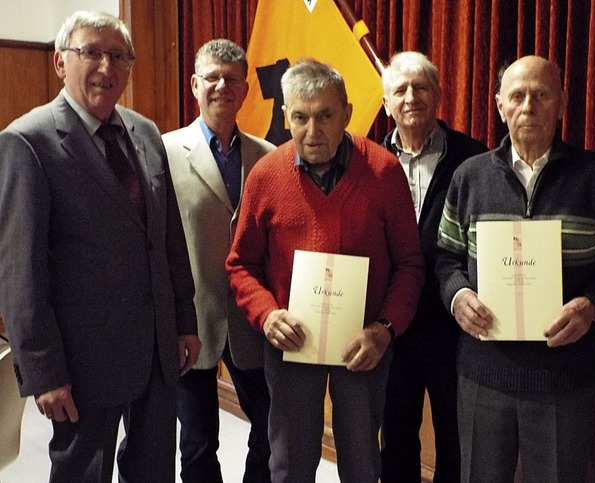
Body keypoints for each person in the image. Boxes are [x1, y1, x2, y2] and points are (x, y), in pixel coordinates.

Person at [0, 11, 201, 483]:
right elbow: (19, 273)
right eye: (91, 52)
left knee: (153, 470)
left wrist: (185, 320)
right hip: (81, 360)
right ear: (59, 62)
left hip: (156, 348)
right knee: (81, 474)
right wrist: (43, 371)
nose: (106, 67)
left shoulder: (145, 132)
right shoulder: (27, 142)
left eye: (118, 56)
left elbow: (168, 238)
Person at [435, 55, 595, 482]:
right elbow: (446, 257)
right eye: (517, 95)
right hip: (483, 373)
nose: (528, 106)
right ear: (499, 105)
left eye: (541, 94)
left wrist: (591, 304)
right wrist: (457, 295)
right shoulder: (469, 177)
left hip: (564, 378)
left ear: (562, 104)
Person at [226, 59, 425, 483]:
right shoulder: (266, 175)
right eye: (300, 117)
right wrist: (266, 315)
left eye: (325, 116)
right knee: (289, 463)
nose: (312, 131)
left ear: (347, 114)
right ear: (285, 117)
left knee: (361, 464)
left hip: (363, 345)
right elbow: (240, 264)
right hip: (292, 343)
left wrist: (385, 329)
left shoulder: (384, 172)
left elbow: (410, 265)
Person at [162, 39, 274, 483]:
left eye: (231, 79)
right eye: (212, 77)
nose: (221, 86)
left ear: (245, 90)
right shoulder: (164, 150)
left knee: (269, 427)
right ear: (194, 84)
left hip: (251, 319)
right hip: (192, 321)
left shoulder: (268, 156)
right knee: (197, 442)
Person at [379, 51, 487, 483]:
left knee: (455, 438)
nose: (411, 97)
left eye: (421, 87)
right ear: (386, 103)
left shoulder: (475, 159)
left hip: (453, 326)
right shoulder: (367, 160)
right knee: (397, 437)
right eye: (400, 90)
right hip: (389, 323)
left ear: (439, 96)